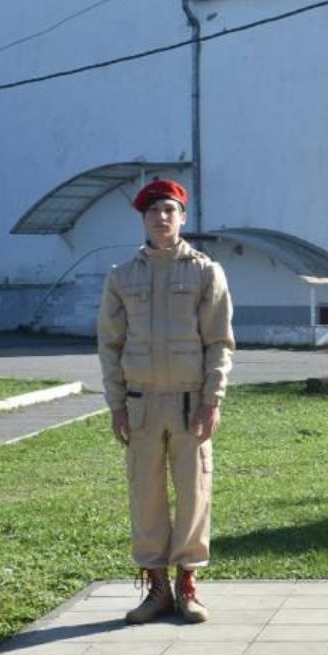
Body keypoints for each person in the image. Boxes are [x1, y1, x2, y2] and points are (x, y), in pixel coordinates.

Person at [97, 178, 235, 624]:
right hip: (140, 405)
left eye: (169, 210)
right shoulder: (122, 276)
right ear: (143, 218)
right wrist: (116, 404)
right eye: (154, 210)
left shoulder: (204, 272)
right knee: (146, 496)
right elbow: (110, 345)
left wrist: (211, 399)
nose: (162, 217)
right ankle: (156, 588)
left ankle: (188, 586)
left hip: (189, 404)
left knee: (194, 492)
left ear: (183, 217)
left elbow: (219, 341)